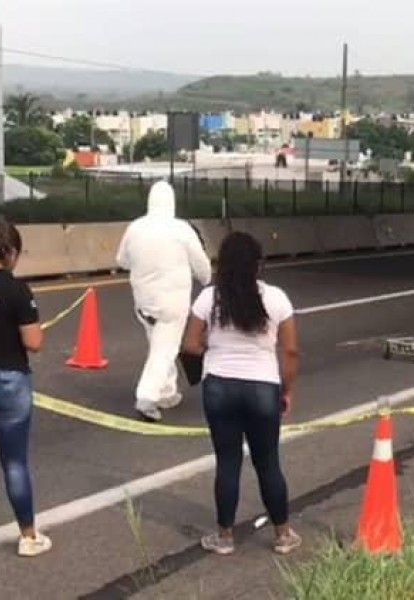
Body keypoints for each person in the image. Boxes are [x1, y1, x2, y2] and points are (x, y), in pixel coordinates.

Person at [183, 231, 301, 556]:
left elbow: (190, 345)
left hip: (219, 386)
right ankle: (283, 534)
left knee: (227, 461)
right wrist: (286, 391)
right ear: (258, 265)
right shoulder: (276, 298)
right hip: (263, 388)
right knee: (268, 463)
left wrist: (213, 344)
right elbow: (290, 352)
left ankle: (224, 536)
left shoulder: (209, 298)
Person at [116, 181, 212, 422]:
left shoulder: (135, 227)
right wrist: (206, 278)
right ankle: (147, 398)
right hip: (172, 301)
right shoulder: (181, 229)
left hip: (143, 301)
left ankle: (167, 393)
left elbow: (121, 261)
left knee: (159, 344)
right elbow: (201, 264)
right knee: (165, 350)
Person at [0, 216, 51, 557]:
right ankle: (29, 536)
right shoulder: (17, 289)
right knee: (13, 462)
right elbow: (34, 342)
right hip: (9, 380)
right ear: (11, 252)